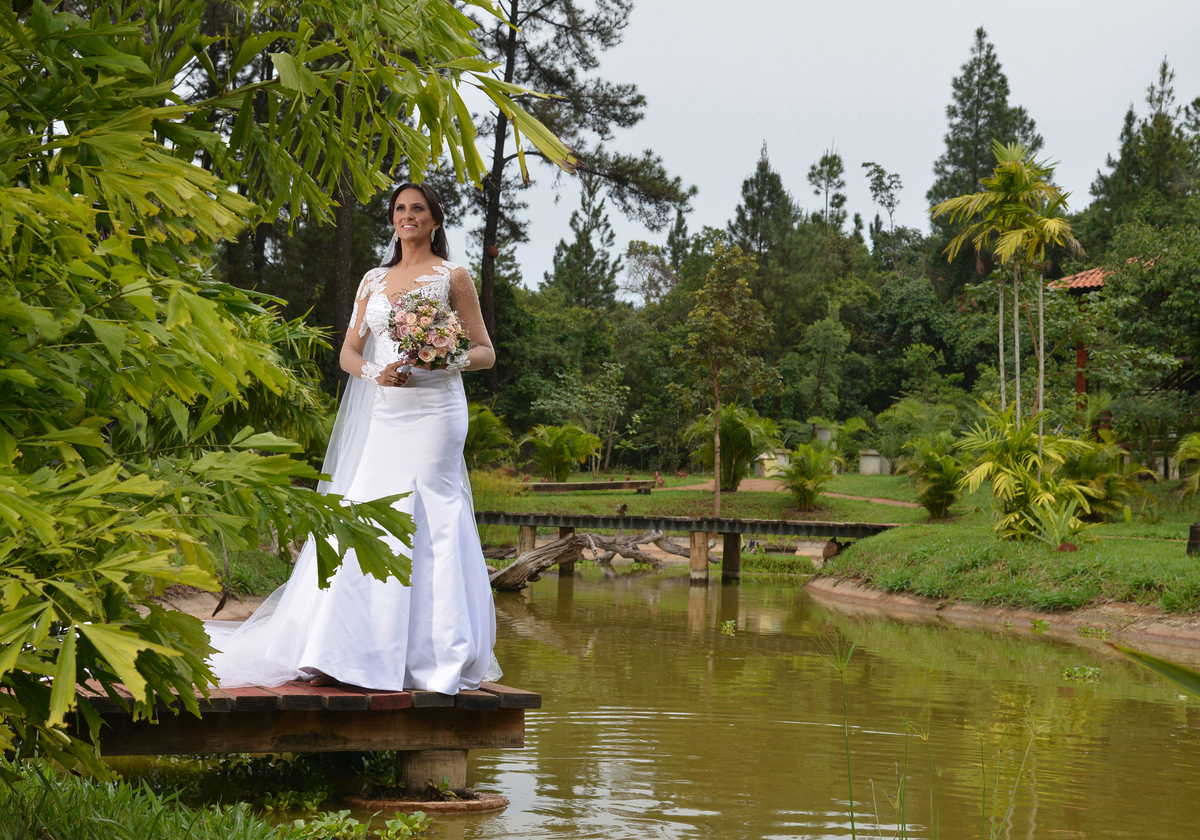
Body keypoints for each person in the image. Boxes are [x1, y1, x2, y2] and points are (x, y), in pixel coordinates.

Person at [204, 182, 500, 693]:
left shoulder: (453, 276)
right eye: (401, 209)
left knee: (433, 514)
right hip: (387, 409)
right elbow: (349, 353)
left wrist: (441, 357)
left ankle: (434, 656)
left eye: (419, 209)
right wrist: (373, 375)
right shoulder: (372, 279)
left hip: (436, 410)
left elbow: (485, 351)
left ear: (435, 221)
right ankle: (341, 649)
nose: (408, 216)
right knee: (367, 508)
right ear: (393, 219)